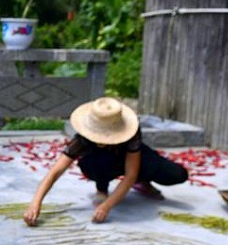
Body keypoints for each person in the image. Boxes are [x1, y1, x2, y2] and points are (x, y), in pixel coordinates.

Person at [23, 97, 189, 226]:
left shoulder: (131, 132)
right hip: (102, 162)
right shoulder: (82, 140)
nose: (101, 139)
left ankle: (142, 180)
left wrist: (106, 206)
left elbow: (130, 174)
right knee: (95, 161)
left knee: (177, 174)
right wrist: (35, 203)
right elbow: (55, 171)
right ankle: (101, 188)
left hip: (130, 156)